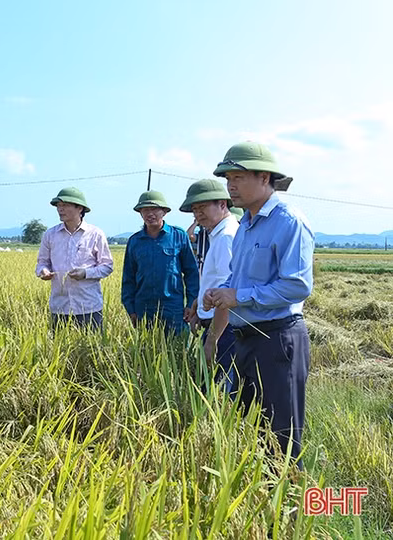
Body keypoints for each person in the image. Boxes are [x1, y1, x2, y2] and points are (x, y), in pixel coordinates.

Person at [203, 141, 313, 463]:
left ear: (264, 177)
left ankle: (286, 493)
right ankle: (258, 490)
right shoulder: (246, 227)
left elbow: (297, 286)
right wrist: (221, 292)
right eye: (228, 179)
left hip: (277, 339)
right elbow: (237, 279)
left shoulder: (288, 221)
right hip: (246, 339)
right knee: (251, 428)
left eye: (238, 177)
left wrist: (239, 296)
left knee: (281, 436)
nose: (230, 186)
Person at [179, 180, 240, 389]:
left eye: (202, 207)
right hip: (218, 324)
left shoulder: (225, 237)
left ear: (222, 204)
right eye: (194, 209)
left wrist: (212, 340)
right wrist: (199, 306)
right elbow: (216, 282)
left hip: (225, 329)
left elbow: (227, 295)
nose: (198, 214)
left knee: (218, 391)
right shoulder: (217, 234)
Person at [36, 187, 113, 331]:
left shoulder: (95, 234)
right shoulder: (50, 235)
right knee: (58, 345)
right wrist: (43, 271)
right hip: (59, 307)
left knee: (92, 345)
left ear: (80, 208)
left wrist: (85, 273)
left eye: (65, 205)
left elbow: (107, 266)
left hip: (89, 307)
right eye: (58, 206)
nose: (60, 209)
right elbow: (42, 263)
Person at [121, 191, 199, 334]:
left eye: (154, 209)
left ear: (164, 211)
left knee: (178, 344)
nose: (150, 214)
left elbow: (191, 273)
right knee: (146, 346)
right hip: (143, 308)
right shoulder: (135, 241)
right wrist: (130, 309)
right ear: (140, 213)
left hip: (173, 307)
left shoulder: (179, 236)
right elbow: (128, 278)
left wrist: (191, 303)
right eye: (145, 210)